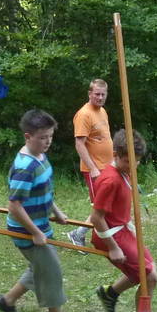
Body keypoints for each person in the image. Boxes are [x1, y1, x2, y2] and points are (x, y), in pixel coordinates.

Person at [0, 109, 82, 312]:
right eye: (43, 137)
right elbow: (14, 205)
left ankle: (7, 301)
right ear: (28, 136)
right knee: (51, 270)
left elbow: (45, 190)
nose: (48, 141)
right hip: (25, 229)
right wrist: (34, 232)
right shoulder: (25, 167)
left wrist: (57, 211)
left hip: (41, 224)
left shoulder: (41, 157)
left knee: (40, 267)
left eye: (50, 136)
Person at [89, 129, 157, 312]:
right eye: (128, 161)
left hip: (123, 231)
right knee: (149, 276)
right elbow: (96, 218)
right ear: (116, 155)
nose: (133, 166)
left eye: (137, 161)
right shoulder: (110, 180)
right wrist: (113, 247)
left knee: (149, 271)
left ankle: (110, 294)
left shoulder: (123, 173)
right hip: (111, 235)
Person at [67, 78, 112, 249]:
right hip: (94, 169)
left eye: (103, 94)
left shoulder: (102, 111)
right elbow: (79, 144)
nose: (100, 97)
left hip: (107, 167)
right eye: (97, 94)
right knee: (100, 208)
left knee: (107, 205)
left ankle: (103, 236)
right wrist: (93, 169)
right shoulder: (84, 114)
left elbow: (103, 138)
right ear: (89, 94)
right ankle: (78, 234)